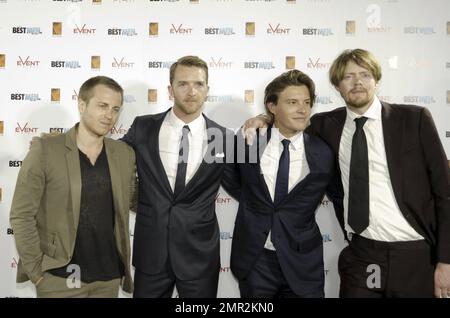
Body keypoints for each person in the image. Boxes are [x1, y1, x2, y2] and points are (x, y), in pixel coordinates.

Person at [243, 48, 450, 298]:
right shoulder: (325, 125)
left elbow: (444, 193)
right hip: (362, 255)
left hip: (415, 255)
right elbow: (288, 126)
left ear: (377, 80)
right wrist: (262, 119)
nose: (358, 82)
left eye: (365, 74)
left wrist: (445, 260)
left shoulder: (414, 119)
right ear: (338, 86)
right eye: (348, 77)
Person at [10, 76, 136, 297]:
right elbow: (21, 215)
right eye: (102, 106)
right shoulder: (46, 150)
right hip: (58, 279)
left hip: (107, 279)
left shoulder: (124, 154)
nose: (109, 115)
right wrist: (37, 272)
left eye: (116, 109)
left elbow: (135, 199)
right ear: (81, 104)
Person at [122, 56, 235, 298]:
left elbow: (245, 186)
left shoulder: (223, 137)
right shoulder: (143, 127)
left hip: (199, 256)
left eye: (198, 84)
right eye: (183, 84)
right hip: (151, 252)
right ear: (170, 89)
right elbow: (107, 157)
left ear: (207, 90)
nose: (191, 91)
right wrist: (61, 143)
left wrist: (265, 119)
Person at [229, 70, 342, 298]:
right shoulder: (247, 141)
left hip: (304, 264)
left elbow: (340, 197)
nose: (302, 109)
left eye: (307, 103)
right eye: (292, 102)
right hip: (255, 262)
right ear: (272, 107)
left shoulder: (324, 151)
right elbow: (232, 181)